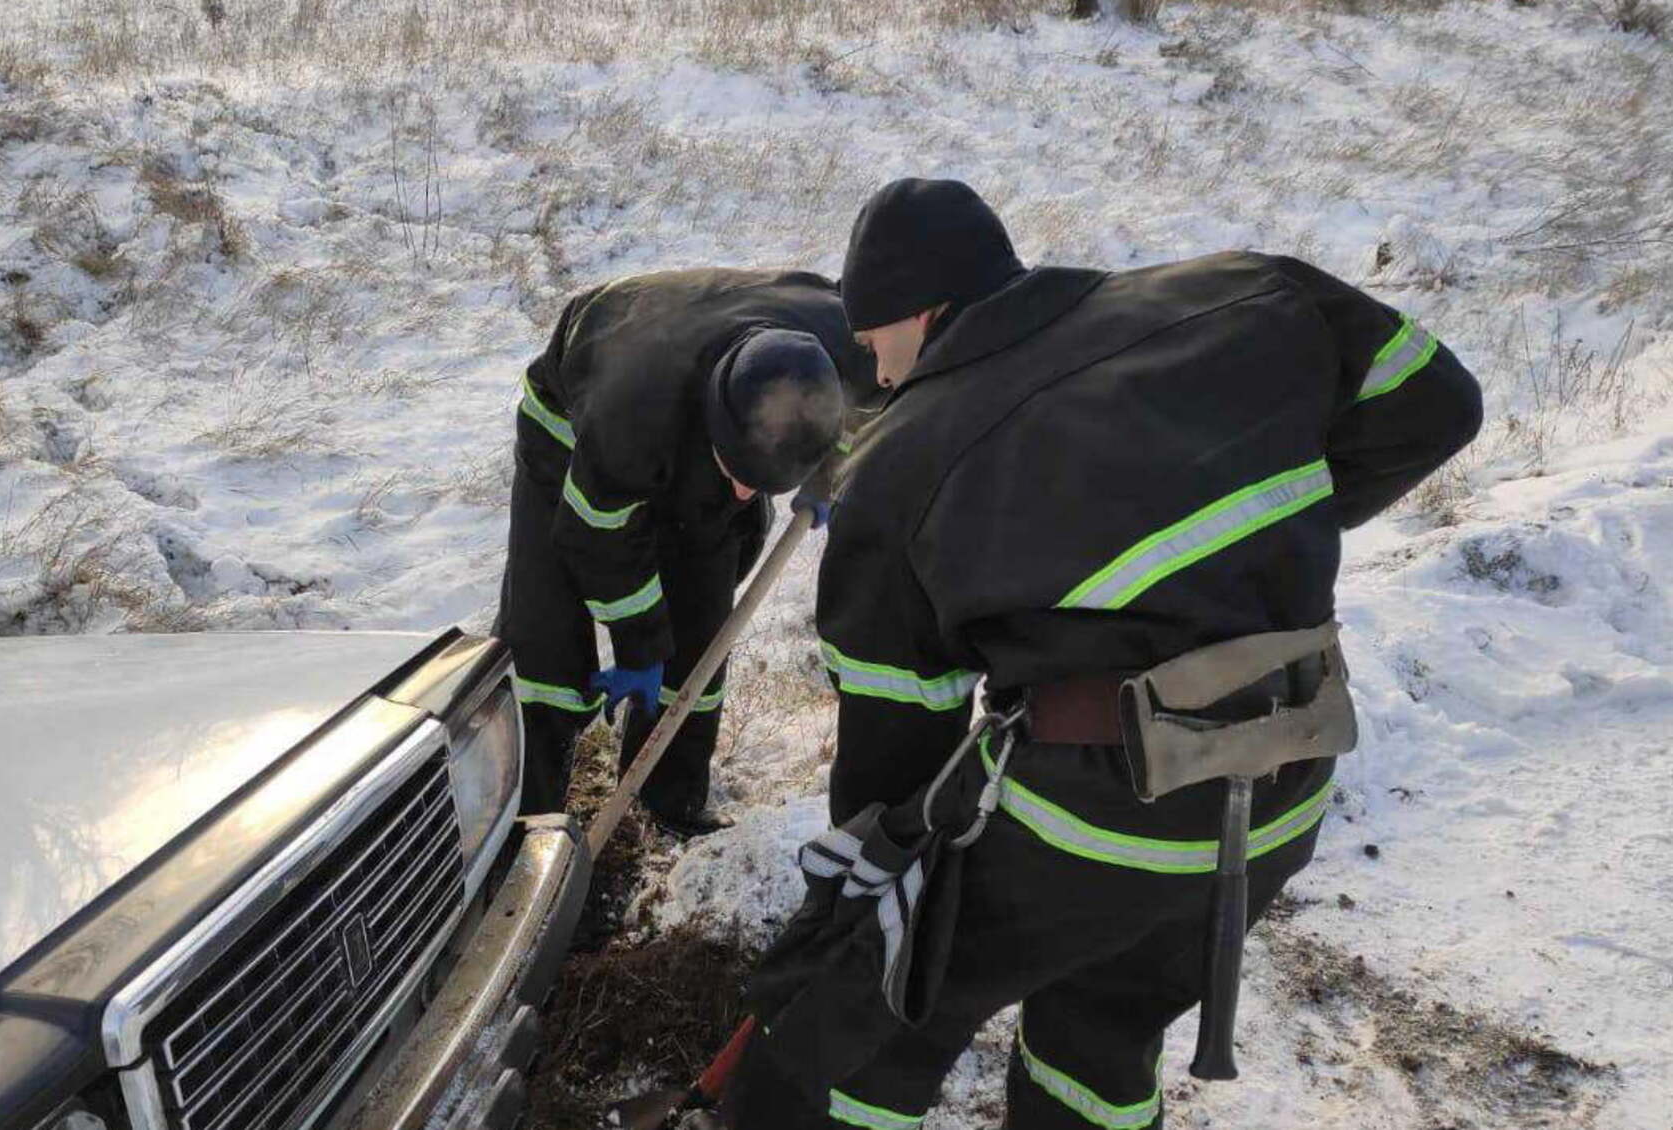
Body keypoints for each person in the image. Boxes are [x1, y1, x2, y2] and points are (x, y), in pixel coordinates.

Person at [719, 179, 1484, 1128]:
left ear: (921, 309)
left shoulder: (905, 457)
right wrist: (1266, 535)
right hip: (1288, 783)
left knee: (877, 1023)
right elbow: (1441, 405)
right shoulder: (1249, 291)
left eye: (875, 344)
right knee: (1101, 1034)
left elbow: (896, 747)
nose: (877, 375)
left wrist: (855, 922)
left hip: (1103, 821)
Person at [499, 267, 866, 837]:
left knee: (698, 636)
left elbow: (872, 407)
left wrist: (831, 472)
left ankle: (664, 809)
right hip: (571, 430)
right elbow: (591, 534)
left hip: (694, 407)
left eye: (762, 488)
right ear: (716, 422)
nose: (746, 495)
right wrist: (640, 643)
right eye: (740, 477)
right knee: (545, 639)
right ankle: (527, 819)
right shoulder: (630, 411)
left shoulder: (850, 344)